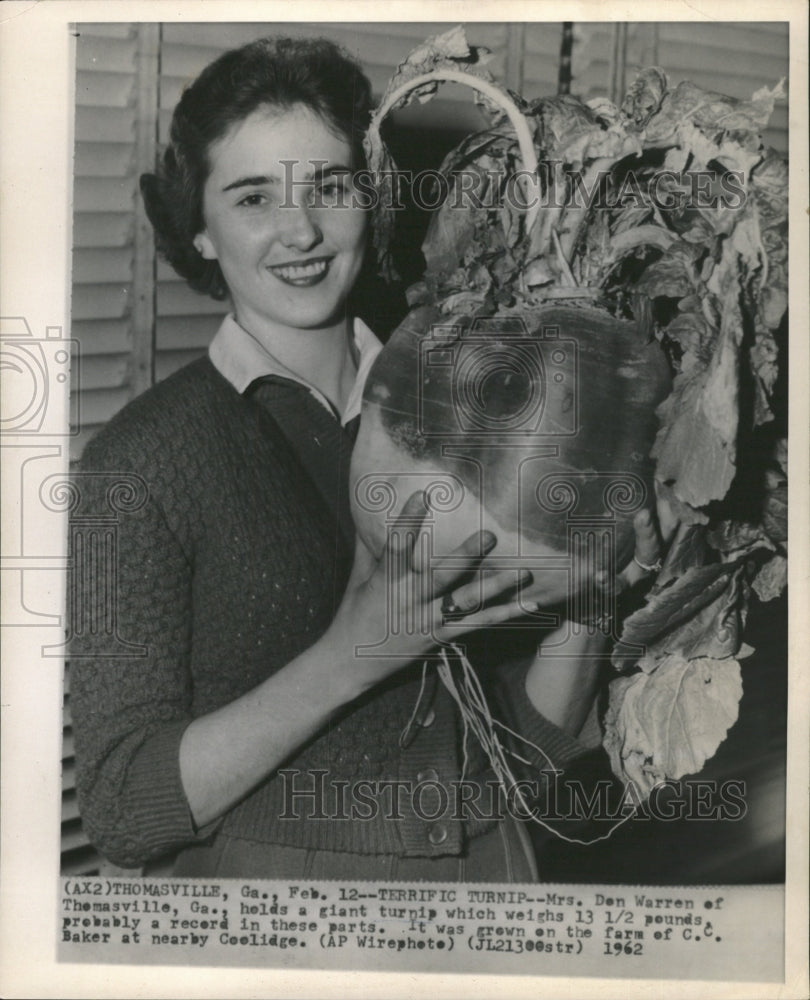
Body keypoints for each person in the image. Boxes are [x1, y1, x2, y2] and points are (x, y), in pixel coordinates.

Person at [69, 35, 665, 881]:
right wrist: (353, 654)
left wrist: (595, 591)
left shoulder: (472, 403)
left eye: (330, 185)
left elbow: (520, 763)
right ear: (198, 230)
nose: (300, 230)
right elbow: (122, 809)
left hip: (491, 896)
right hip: (284, 938)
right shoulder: (135, 465)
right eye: (250, 197)